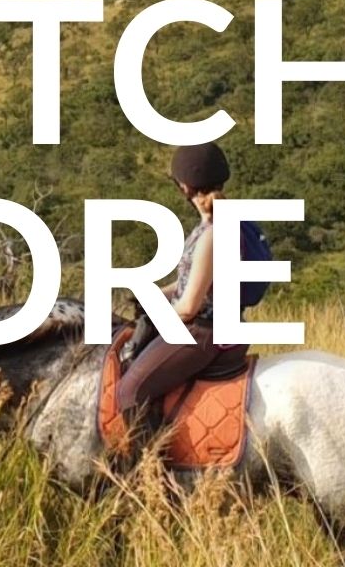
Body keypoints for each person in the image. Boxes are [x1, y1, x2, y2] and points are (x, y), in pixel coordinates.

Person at [115, 141, 251, 455]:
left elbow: (189, 307)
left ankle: (152, 479)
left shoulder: (214, 233)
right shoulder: (212, 224)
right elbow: (191, 282)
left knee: (131, 391)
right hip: (210, 324)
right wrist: (149, 291)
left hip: (204, 331)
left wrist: (159, 311)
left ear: (184, 187)